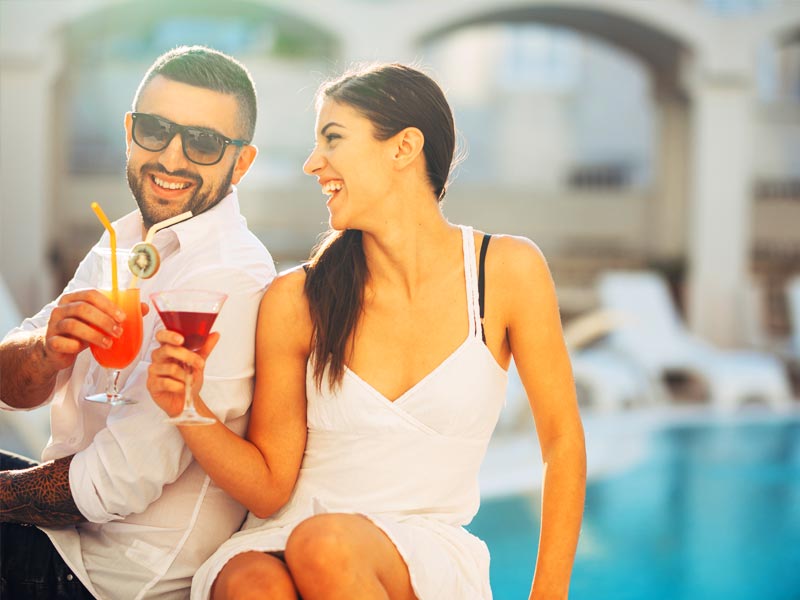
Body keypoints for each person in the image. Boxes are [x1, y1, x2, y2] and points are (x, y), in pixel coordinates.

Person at [148, 62, 586, 600]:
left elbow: (562, 441)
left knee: (325, 546)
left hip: (421, 554)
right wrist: (186, 406)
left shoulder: (506, 271)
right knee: (249, 581)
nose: (313, 164)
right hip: (284, 534)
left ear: (403, 148)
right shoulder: (298, 299)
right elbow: (268, 490)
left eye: (333, 139)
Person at [0, 45, 276, 599]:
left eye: (202, 142)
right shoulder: (122, 241)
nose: (172, 158)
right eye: (155, 130)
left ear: (240, 163)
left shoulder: (229, 277)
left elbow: (113, 485)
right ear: (131, 132)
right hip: (65, 531)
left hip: (106, 574)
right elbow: (9, 390)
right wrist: (45, 353)